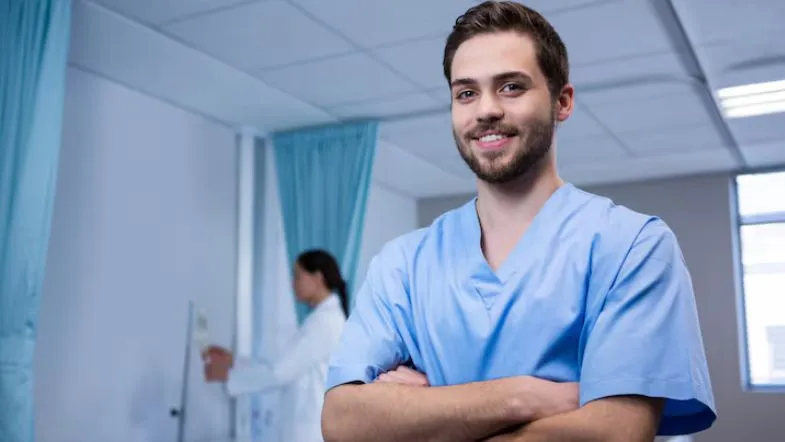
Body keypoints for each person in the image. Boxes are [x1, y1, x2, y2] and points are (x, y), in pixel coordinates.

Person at [321, 2, 716, 442]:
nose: (486, 109)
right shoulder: (402, 265)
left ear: (561, 101)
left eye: (511, 87)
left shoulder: (632, 246)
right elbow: (343, 422)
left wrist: (430, 413)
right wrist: (524, 396)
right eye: (466, 93)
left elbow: (616, 432)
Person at [203, 249, 348, 442]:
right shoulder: (321, 320)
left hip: (310, 430)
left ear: (317, 277)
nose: (292, 283)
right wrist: (234, 362)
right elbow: (281, 364)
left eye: (297, 276)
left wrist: (229, 376)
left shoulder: (326, 322)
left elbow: (280, 372)